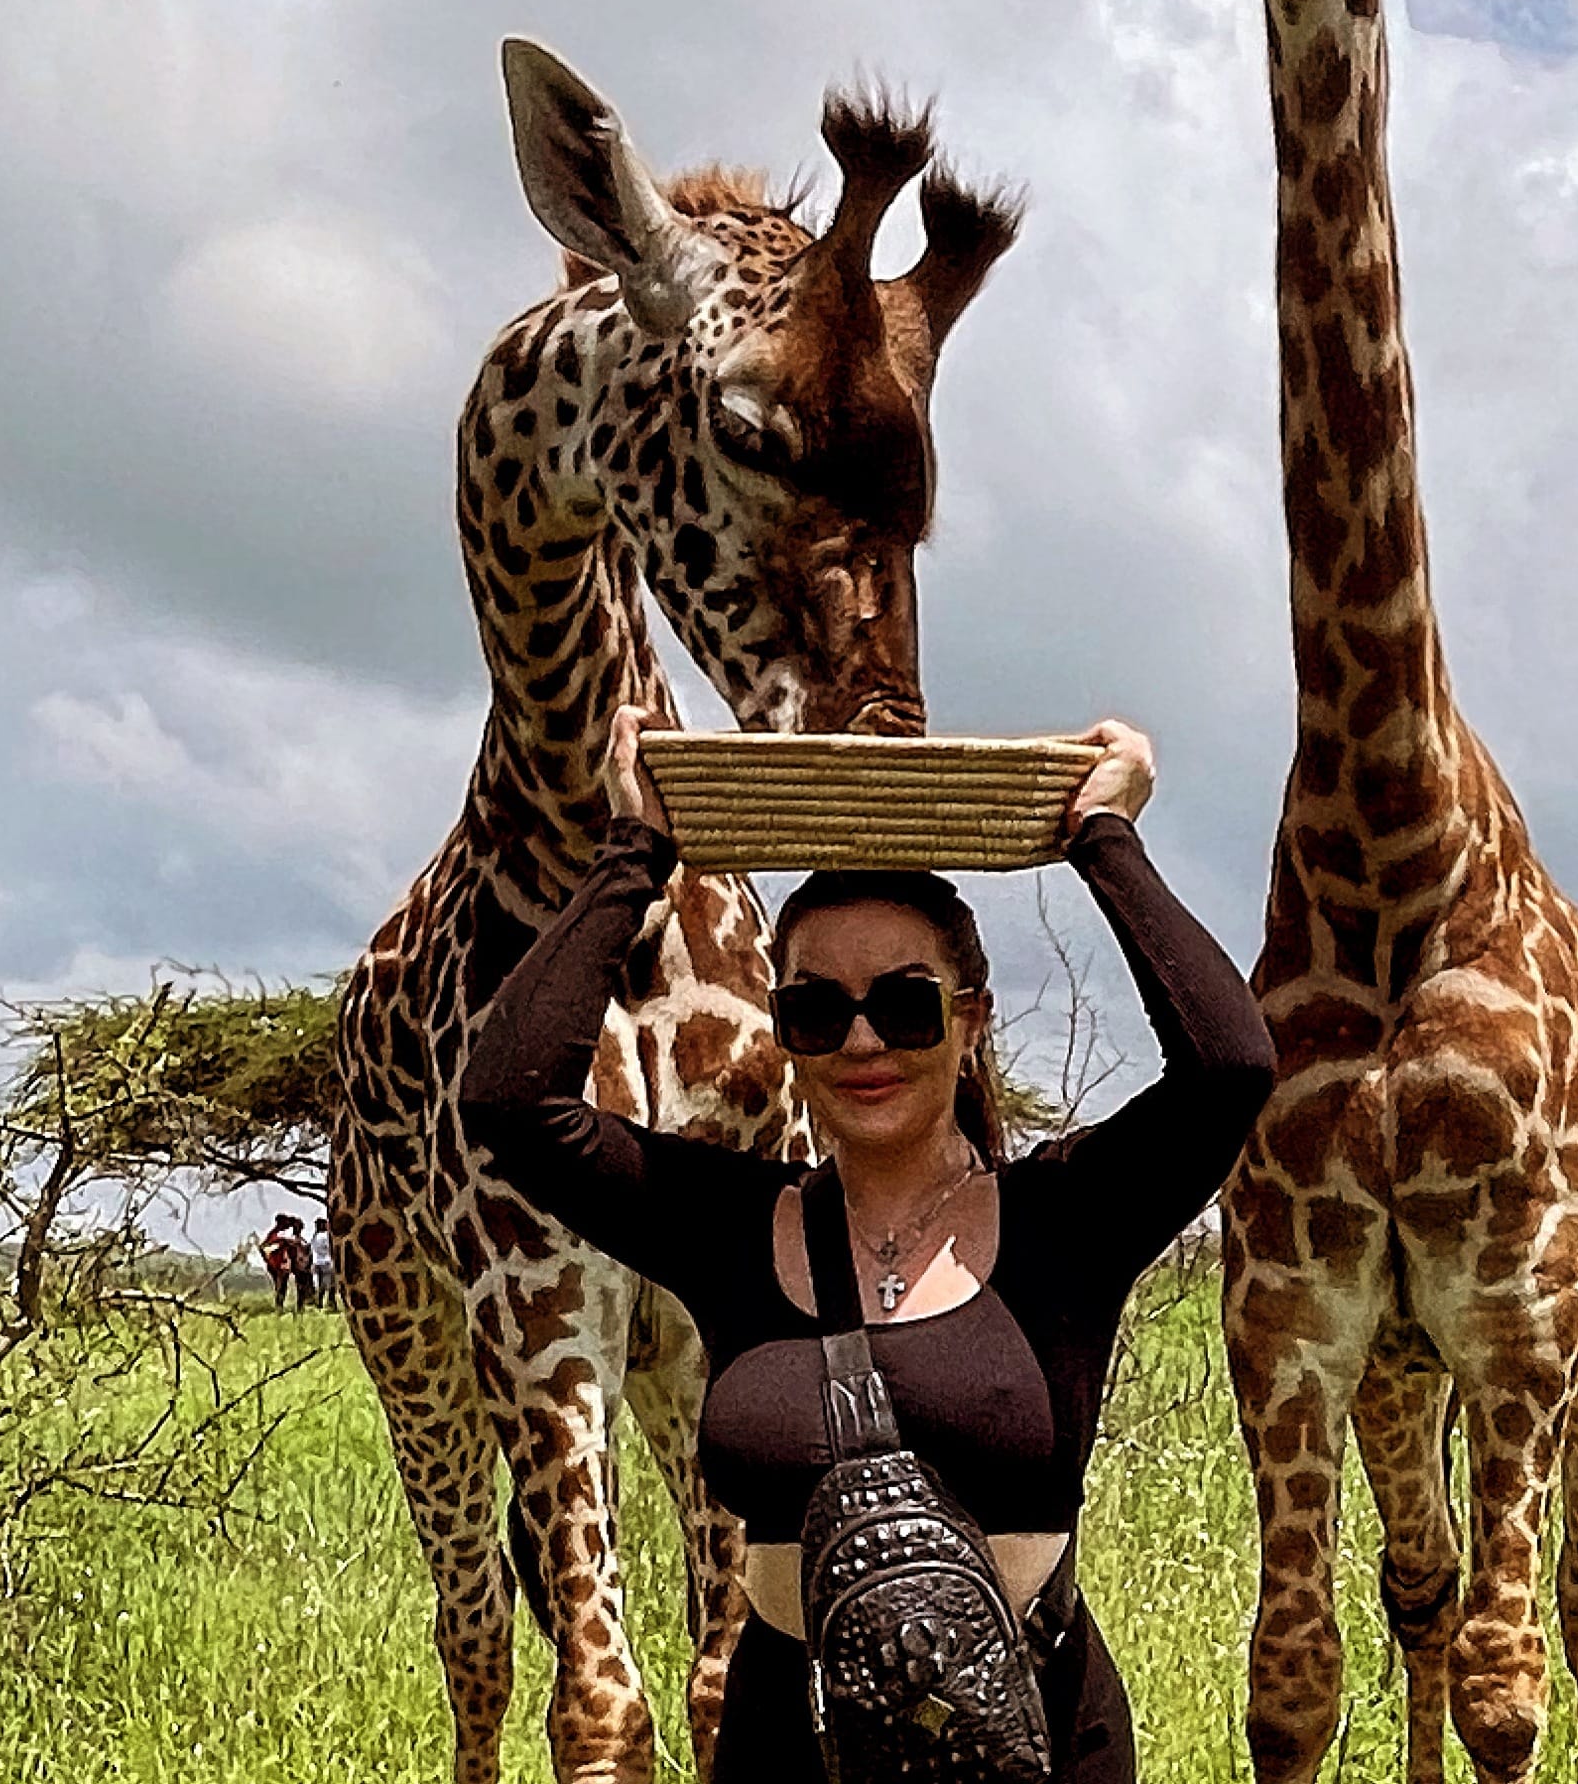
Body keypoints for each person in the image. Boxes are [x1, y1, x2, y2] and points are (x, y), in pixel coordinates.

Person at [459, 707, 1274, 1782]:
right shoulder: (728, 1224)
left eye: (904, 1002)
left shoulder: (1068, 1216)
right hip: (783, 1747)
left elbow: (1230, 1068)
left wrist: (1104, 838)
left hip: (1035, 1736)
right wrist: (636, 850)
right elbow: (509, 1098)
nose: (861, 1040)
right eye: (815, 1009)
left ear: (971, 1016)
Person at [308, 1222, 337, 1309]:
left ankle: (319, 1302)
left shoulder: (314, 1237)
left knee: (321, 1283)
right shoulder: (325, 1236)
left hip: (317, 1262)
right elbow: (330, 1247)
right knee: (330, 1284)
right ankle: (330, 1303)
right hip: (326, 1262)